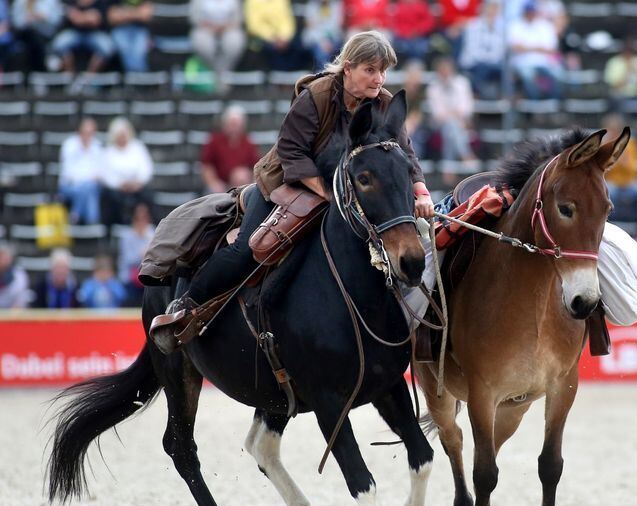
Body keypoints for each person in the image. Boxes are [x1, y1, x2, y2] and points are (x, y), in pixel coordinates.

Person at [151, 31, 433, 351]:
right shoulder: (317, 95)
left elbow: (405, 154)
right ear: (348, 68)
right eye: (371, 70)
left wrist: (420, 190)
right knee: (251, 247)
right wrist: (327, 192)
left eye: (383, 71)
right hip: (288, 183)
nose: (379, 78)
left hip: (348, 192)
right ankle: (187, 306)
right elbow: (291, 152)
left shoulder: (383, 102)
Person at [426, 56, 476, 186]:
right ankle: (466, 154)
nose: (445, 73)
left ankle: (448, 169)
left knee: (451, 130)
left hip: (462, 123)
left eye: (447, 70)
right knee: (450, 126)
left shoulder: (462, 83)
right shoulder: (433, 87)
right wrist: (453, 114)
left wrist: (455, 115)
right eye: (442, 70)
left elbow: (467, 108)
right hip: (440, 124)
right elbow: (438, 114)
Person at [100, 116, 153, 226]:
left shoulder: (138, 147)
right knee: (109, 198)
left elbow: (146, 169)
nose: (122, 137)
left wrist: (138, 183)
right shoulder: (108, 152)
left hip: (137, 188)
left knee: (149, 196)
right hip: (118, 190)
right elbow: (105, 175)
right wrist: (119, 184)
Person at [507, 0, 562, 99]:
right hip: (523, 63)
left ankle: (554, 105)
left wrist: (527, 48)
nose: (530, 14)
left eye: (532, 11)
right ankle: (534, 105)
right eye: (528, 11)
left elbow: (551, 49)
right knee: (528, 77)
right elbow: (515, 47)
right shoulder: (516, 25)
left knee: (558, 75)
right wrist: (537, 48)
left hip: (543, 63)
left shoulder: (544, 26)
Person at [200, 105, 259, 194]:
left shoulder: (248, 142)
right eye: (232, 124)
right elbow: (206, 166)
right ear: (225, 124)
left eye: (237, 125)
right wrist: (213, 183)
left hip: (242, 185)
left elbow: (256, 166)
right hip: (221, 185)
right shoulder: (214, 141)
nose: (234, 128)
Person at [50, 0, 115, 79]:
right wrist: (86, 17)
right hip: (74, 32)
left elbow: (96, 19)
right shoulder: (70, 2)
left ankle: (88, 80)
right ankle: (70, 79)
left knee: (106, 46)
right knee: (60, 43)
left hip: (95, 33)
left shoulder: (101, 2)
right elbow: (72, 17)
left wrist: (80, 17)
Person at [189, 0, 245, 86]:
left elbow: (238, 18)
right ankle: (218, 76)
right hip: (205, 28)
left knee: (235, 41)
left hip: (228, 28)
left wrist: (225, 27)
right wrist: (210, 26)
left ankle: (221, 75)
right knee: (202, 42)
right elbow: (194, 17)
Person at [58, 117, 102, 224]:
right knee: (88, 190)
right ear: (79, 131)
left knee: (89, 188)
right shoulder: (69, 145)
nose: (87, 136)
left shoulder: (97, 146)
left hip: (91, 186)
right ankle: (92, 223)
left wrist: (87, 180)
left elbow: (100, 172)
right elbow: (68, 173)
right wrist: (86, 179)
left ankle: (76, 214)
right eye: (85, 132)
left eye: (90, 133)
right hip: (69, 186)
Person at [458, 0, 504, 98]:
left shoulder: (500, 29)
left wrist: (491, 60)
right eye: (491, 8)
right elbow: (473, 51)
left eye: (496, 9)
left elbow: (499, 52)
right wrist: (489, 60)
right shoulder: (473, 25)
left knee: (505, 71)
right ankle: (482, 97)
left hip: (492, 64)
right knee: (482, 69)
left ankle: (499, 99)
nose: (493, 12)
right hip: (473, 64)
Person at [244, 0, 307, 71]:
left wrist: (284, 37)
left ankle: (290, 76)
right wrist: (273, 37)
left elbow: (287, 21)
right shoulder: (252, 2)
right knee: (269, 50)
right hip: (262, 38)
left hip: (283, 38)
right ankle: (278, 77)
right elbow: (254, 26)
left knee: (299, 47)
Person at [11, 0, 62, 73]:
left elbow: (56, 22)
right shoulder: (20, 2)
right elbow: (16, 23)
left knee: (34, 37)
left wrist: (42, 18)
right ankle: (48, 58)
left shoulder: (51, 1)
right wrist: (27, 19)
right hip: (24, 35)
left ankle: (33, 72)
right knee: (30, 34)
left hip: (46, 34)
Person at [107, 0, 152, 72]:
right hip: (120, 30)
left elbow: (145, 16)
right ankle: (134, 78)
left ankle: (135, 78)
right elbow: (112, 18)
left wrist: (124, 13)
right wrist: (136, 13)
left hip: (139, 30)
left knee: (138, 50)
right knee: (124, 47)